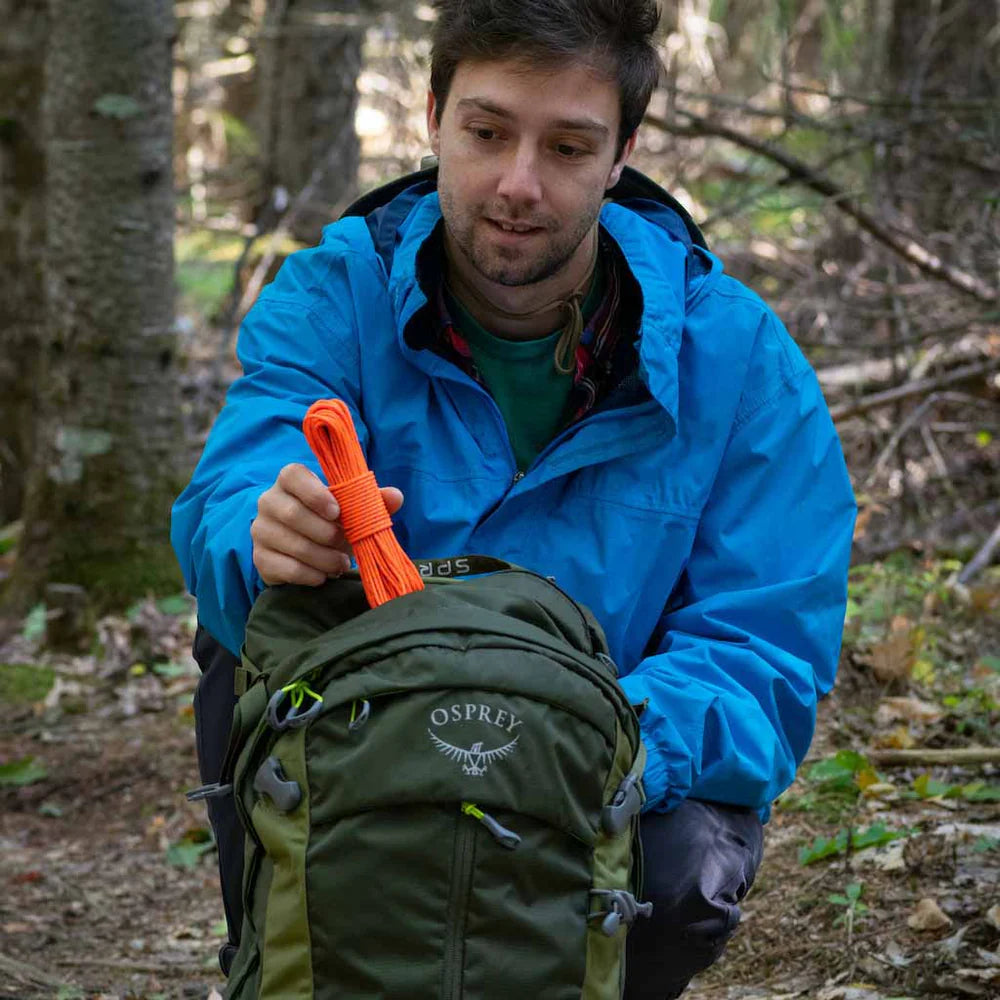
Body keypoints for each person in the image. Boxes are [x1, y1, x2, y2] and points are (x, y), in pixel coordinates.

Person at [171, 1, 856, 995]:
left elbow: (766, 647)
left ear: (621, 153)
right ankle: (287, 956)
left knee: (683, 869)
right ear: (434, 115)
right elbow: (230, 489)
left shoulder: (741, 361)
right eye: (486, 133)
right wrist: (263, 531)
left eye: (568, 146)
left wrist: (585, 737)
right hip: (366, 733)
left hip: (607, 754)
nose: (517, 185)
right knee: (236, 634)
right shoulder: (335, 295)